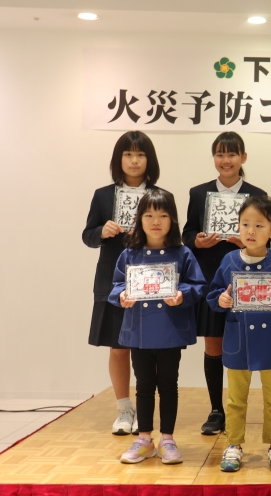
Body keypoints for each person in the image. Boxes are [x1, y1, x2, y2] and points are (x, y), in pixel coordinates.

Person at [207, 196, 271, 473]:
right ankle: (234, 443)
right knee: (236, 399)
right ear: (237, 226)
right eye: (245, 224)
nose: (251, 231)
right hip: (238, 341)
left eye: (259, 225)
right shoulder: (229, 260)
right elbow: (215, 293)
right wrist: (221, 300)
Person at [109, 189, 206, 464]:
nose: (155, 221)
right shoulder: (129, 254)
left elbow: (198, 285)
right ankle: (144, 439)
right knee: (143, 386)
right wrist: (122, 296)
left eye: (163, 215)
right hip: (139, 332)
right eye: (149, 215)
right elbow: (116, 285)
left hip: (170, 331)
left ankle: (167, 439)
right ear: (139, 219)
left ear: (172, 219)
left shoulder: (183, 253)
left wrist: (182, 295)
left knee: (168, 385)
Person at [182, 132, 268, 435]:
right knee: (213, 342)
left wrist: (247, 240)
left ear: (243, 157)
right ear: (214, 158)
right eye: (220, 154)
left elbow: (268, 238)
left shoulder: (257, 196)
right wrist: (198, 241)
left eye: (232, 154)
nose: (226, 160)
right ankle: (216, 409)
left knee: (245, 342)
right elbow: (187, 233)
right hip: (211, 276)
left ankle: (239, 407)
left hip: (248, 276)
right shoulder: (198, 193)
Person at [82, 131, 161, 436]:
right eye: (128, 154)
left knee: (147, 348)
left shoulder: (159, 196)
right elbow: (88, 235)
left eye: (140, 154)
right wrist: (102, 231)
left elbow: (173, 237)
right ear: (119, 159)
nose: (134, 160)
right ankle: (123, 409)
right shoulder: (104, 195)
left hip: (151, 280)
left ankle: (144, 408)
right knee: (118, 347)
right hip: (113, 280)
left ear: (149, 160)